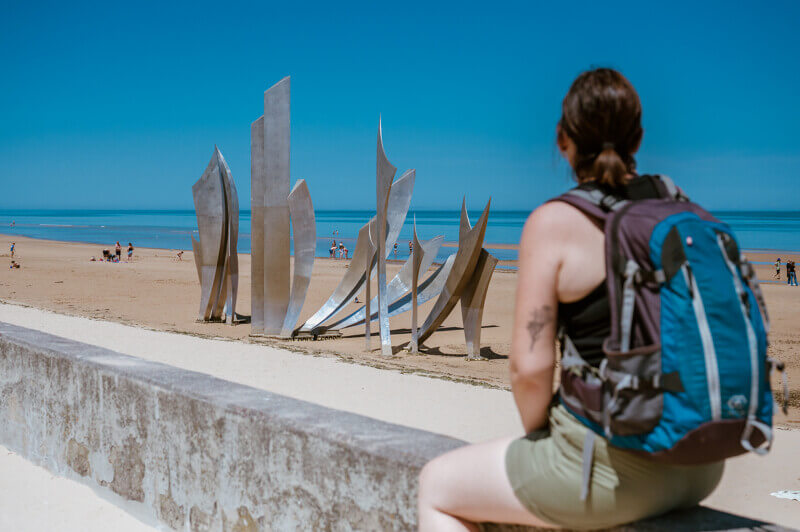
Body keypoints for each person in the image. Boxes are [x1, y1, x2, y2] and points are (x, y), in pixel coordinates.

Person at [418, 68, 724, 530]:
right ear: (637, 138)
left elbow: (530, 370)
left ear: (562, 139)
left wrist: (542, 439)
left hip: (610, 473)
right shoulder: (679, 206)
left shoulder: (554, 222)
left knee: (435, 486)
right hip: (702, 463)